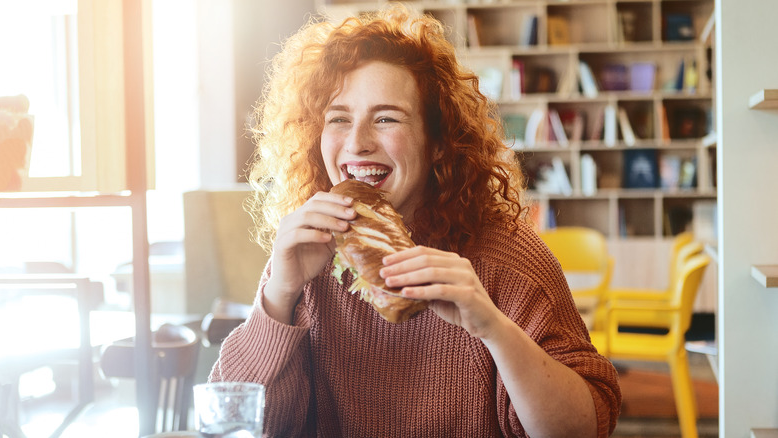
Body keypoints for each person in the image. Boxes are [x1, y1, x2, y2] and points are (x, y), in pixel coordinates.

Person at [209, 5, 621, 437]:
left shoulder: (506, 256)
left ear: (438, 143)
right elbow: (235, 423)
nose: (358, 143)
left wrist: (493, 329)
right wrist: (279, 295)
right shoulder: (307, 254)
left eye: (386, 118)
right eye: (339, 119)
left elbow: (584, 428)